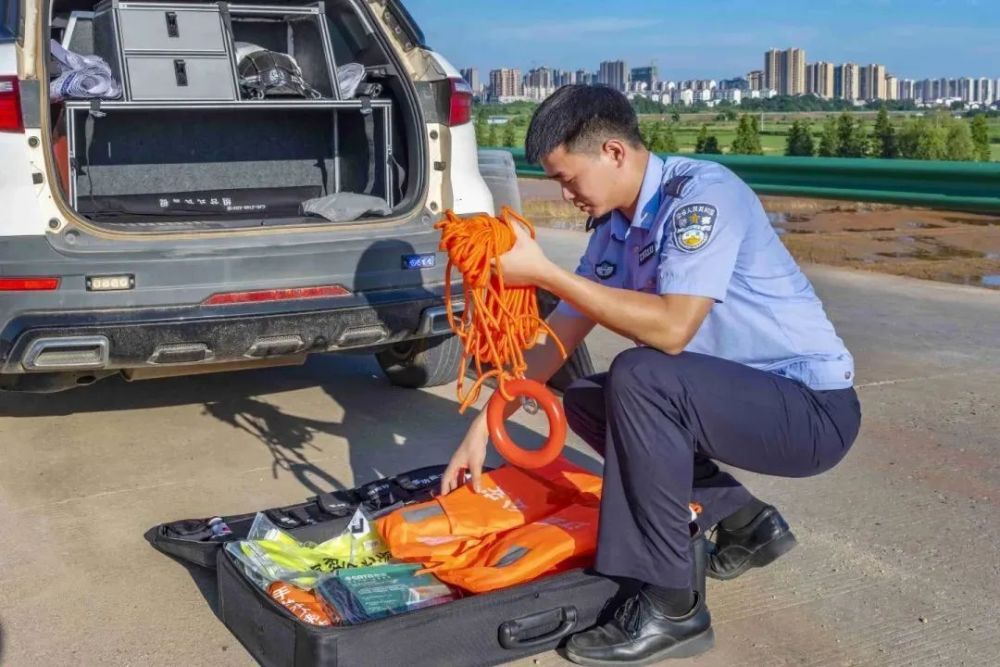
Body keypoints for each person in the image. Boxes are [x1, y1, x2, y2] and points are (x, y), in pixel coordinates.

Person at [439, 85, 862, 665]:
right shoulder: (616, 228)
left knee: (641, 374)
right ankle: (743, 522)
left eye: (568, 179)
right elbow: (559, 335)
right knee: (593, 397)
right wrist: (483, 429)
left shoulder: (701, 199)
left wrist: (545, 272)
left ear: (613, 152)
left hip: (810, 411)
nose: (566, 197)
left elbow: (672, 330)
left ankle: (673, 606)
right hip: (742, 400)